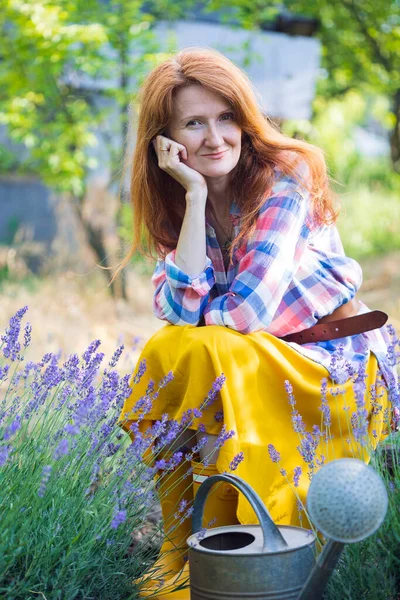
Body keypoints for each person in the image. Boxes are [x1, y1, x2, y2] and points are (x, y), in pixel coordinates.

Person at [114, 48, 398, 599]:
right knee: (176, 346)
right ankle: (188, 556)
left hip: (328, 365)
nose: (214, 138)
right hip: (247, 363)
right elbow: (174, 312)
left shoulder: (281, 179)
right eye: (193, 123)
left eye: (226, 118)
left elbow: (244, 316)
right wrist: (195, 200)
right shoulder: (176, 200)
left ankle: (248, 560)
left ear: (245, 121)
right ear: (165, 142)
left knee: (206, 344)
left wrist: (203, 310)